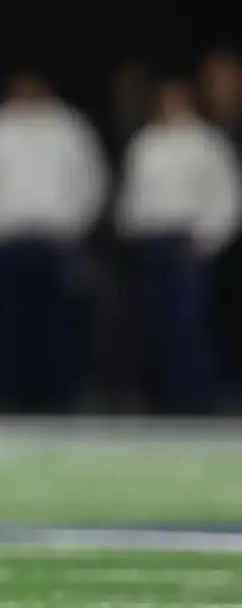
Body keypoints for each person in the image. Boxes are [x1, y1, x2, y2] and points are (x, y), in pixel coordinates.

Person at [0, 69, 108, 411]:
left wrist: (77, 226)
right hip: (9, 239)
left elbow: (92, 180)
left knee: (59, 324)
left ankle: (61, 397)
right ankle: (12, 396)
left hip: (57, 239)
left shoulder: (69, 127)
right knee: (11, 324)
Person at [117, 77, 242, 413]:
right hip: (150, 239)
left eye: (178, 99)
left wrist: (206, 240)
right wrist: (130, 227)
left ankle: (192, 398)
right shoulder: (146, 142)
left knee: (188, 323)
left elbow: (227, 197)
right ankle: (153, 397)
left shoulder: (207, 142)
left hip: (188, 239)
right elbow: (133, 191)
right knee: (152, 322)